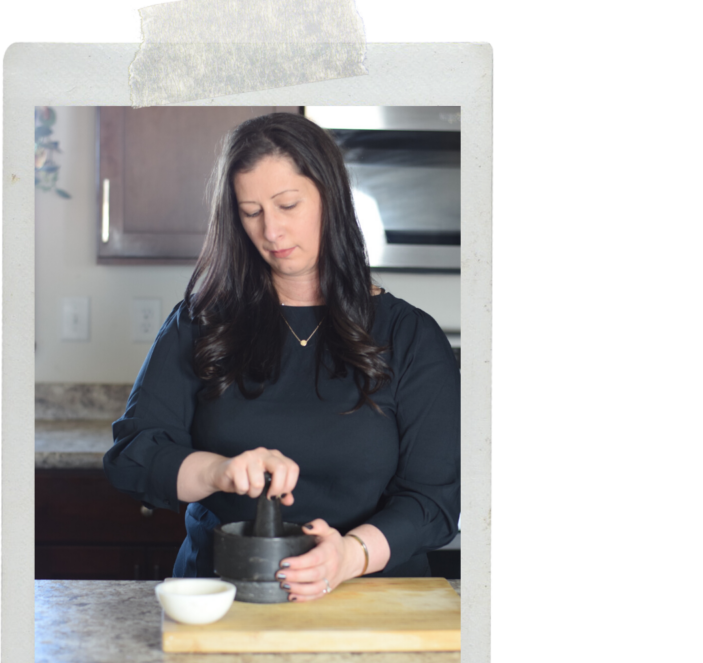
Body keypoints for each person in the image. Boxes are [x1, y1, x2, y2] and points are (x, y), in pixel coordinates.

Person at [103, 113, 460, 599]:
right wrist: (218, 470)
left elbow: (433, 503)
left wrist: (348, 555)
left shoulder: (411, 336)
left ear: (330, 199)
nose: (272, 230)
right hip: (223, 598)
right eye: (251, 212)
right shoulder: (200, 322)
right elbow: (132, 457)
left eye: (288, 204)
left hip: (373, 603)